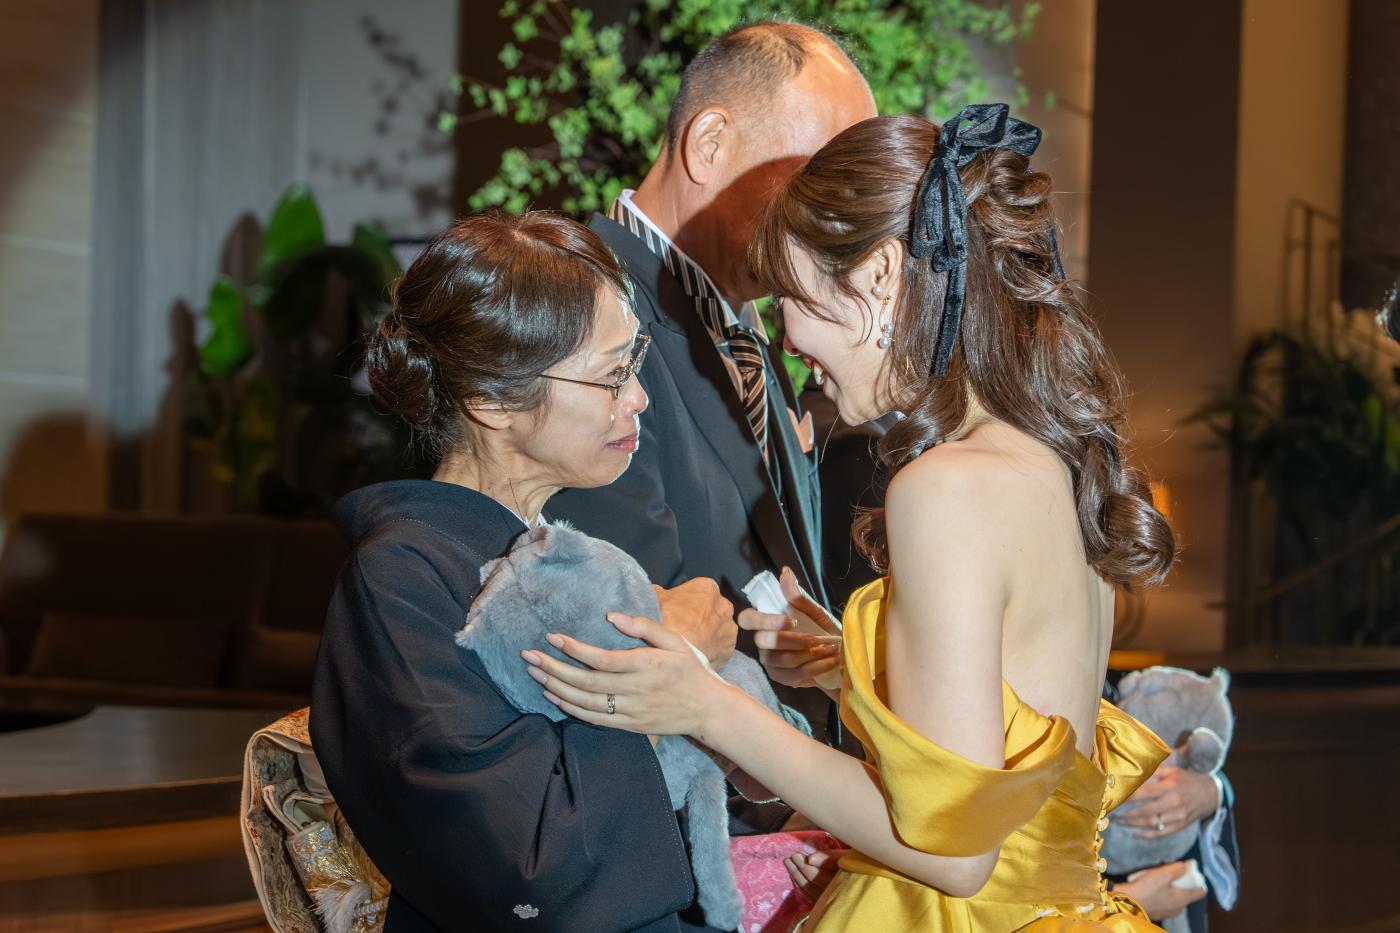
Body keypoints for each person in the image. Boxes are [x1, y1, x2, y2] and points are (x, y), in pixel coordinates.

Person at [523, 105, 1180, 929]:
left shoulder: (945, 487)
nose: (788, 337)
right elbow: (1013, 737)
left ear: (879, 276)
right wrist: (851, 667)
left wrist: (708, 704)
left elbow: (955, 854)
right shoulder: (1054, 462)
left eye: (794, 295)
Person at [310, 211, 740, 933]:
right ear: (493, 399)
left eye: (634, 362)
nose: (638, 397)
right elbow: (533, 873)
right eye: (611, 375)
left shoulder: (560, 550)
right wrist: (667, 663)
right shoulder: (399, 582)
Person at [547, 21, 878, 772]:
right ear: (709, 144)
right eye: (816, 181)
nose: (839, 220)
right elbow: (622, 614)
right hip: (686, 799)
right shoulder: (585, 316)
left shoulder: (752, 328)